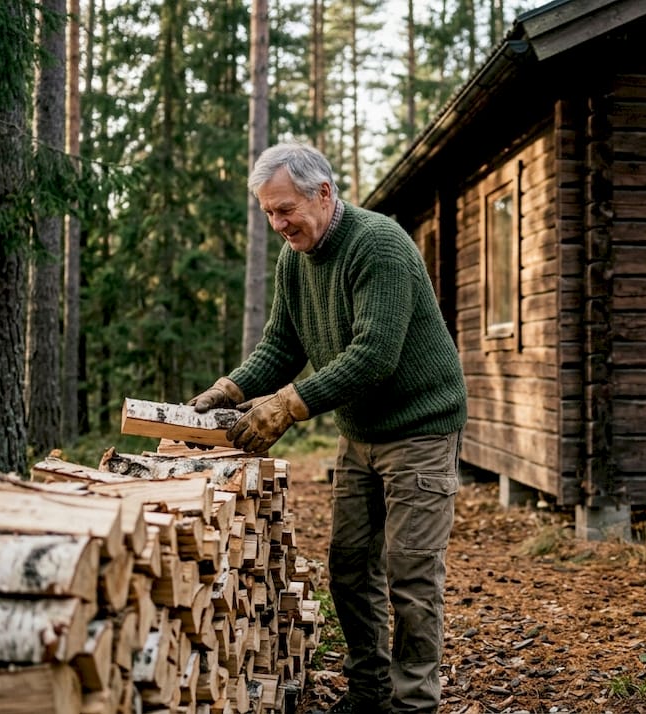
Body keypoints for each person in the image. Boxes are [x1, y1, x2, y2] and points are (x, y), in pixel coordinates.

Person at [189, 141, 468, 714]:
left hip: (420, 429)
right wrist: (233, 389)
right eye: (269, 212)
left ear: (324, 192)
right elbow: (281, 345)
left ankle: (414, 702)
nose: (278, 223)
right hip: (359, 432)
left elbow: (374, 355)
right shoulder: (295, 259)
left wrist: (288, 405)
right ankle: (369, 694)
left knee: (412, 576)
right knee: (348, 570)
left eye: (285, 208)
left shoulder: (380, 244)